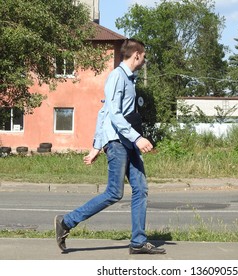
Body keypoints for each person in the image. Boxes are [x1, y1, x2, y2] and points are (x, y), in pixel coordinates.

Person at [54, 38, 166, 254]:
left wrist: (96, 145)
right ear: (137, 55)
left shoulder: (128, 79)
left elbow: (105, 111)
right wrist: (133, 139)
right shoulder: (116, 77)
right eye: (144, 56)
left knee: (140, 189)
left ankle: (138, 242)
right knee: (114, 192)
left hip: (128, 142)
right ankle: (67, 222)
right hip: (119, 142)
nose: (144, 60)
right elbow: (111, 113)